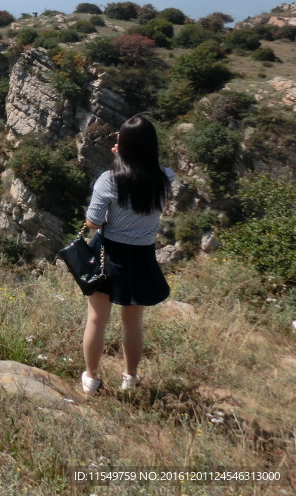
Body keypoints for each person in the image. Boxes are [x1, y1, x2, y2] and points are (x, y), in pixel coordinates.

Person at [80, 114, 173, 395]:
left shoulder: (109, 180)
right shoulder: (166, 176)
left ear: (125, 146)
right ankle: (130, 378)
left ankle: (92, 379)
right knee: (133, 323)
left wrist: (119, 163)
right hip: (143, 254)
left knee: (97, 319)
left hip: (110, 253)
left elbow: (93, 222)